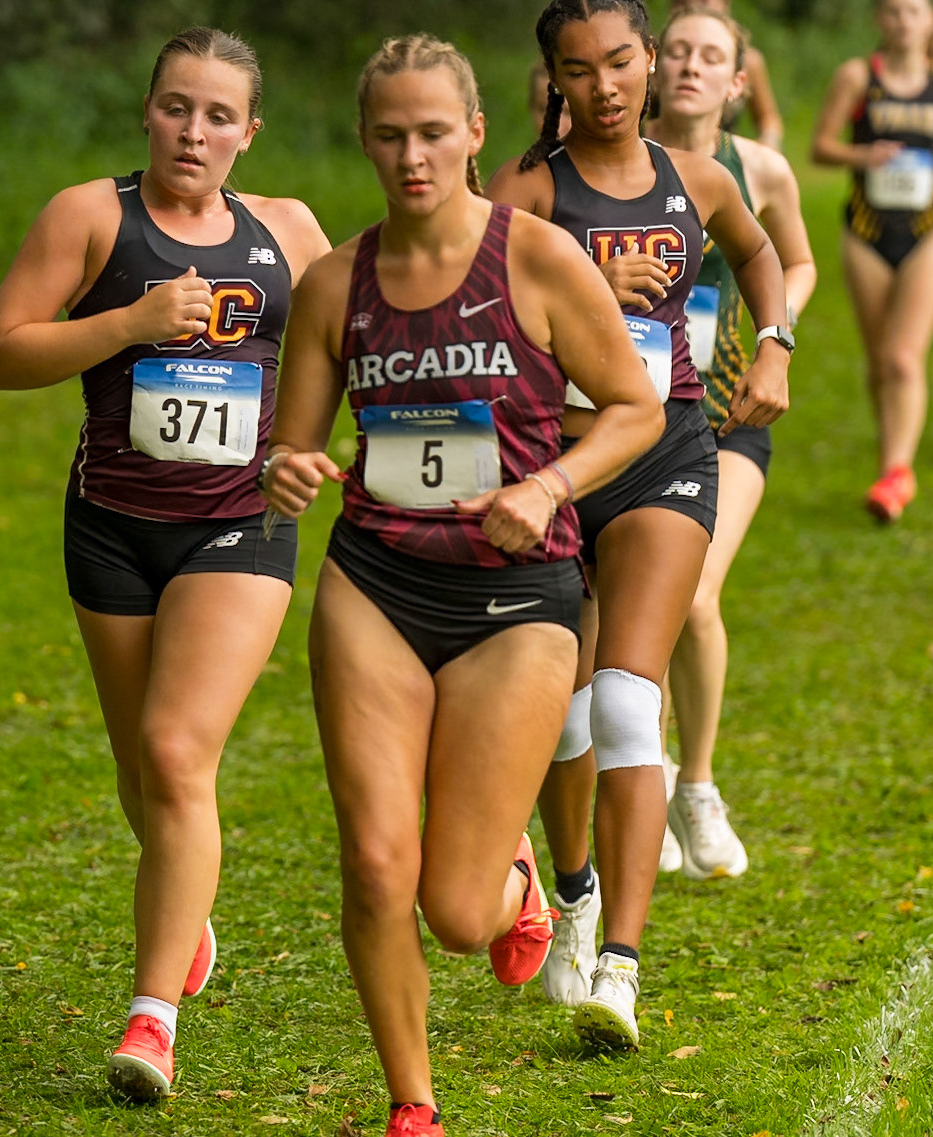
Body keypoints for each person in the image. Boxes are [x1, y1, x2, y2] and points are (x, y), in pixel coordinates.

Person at [261, 35, 662, 1135]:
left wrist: (548, 485)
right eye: (390, 136)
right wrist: (287, 469)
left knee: (453, 911)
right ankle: (414, 1104)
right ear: (364, 140)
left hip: (517, 600)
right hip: (375, 584)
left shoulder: (537, 260)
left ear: (475, 133)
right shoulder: (334, 284)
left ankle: (517, 887)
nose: (413, 157)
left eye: (433, 133)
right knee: (374, 862)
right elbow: (292, 447)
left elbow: (635, 407)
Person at [0, 26, 331, 1101]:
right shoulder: (91, 216)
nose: (193, 131)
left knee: (177, 753)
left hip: (240, 523)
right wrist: (129, 321)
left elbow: (352, 342)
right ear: (147, 110)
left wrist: (306, 446)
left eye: (218, 115)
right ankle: (188, 912)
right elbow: (2, 353)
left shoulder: (285, 230)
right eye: (177, 107)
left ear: (249, 133)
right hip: (112, 525)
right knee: (143, 774)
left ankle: (151, 1020)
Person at [488, 0, 792, 1050]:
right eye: (579, 69)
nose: (605, 86)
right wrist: (579, 285)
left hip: (665, 455)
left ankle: (619, 964)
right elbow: (466, 311)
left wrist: (775, 342)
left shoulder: (696, 181)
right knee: (565, 719)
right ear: (554, 81)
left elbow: (759, 255)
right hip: (551, 469)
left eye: (620, 61)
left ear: (649, 60)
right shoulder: (527, 190)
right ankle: (571, 893)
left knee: (625, 701)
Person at [648, 7, 818, 878]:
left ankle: (697, 785)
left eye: (709, 56)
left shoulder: (761, 170)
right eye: (676, 50)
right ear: (650, 65)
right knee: (639, 604)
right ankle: (648, 775)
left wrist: (772, 340)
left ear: (737, 83)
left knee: (692, 595)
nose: (690, 66)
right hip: (632, 419)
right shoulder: (612, 165)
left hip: (728, 416)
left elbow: (797, 261)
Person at [811, 0, 933, 522]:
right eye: (893, 12)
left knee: (904, 358)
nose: (903, 22)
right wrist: (863, 156)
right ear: (879, 21)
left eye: (913, 12)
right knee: (880, 359)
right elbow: (820, 146)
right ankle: (892, 459)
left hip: (930, 232)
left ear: (932, 21)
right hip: (866, 232)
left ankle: (896, 473)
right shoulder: (857, 77)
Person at [668, 0, 785, 149]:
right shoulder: (658, 56)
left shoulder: (749, 63)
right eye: (678, 53)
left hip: (720, 153)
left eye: (706, 1)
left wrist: (767, 146)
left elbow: (767, 117)